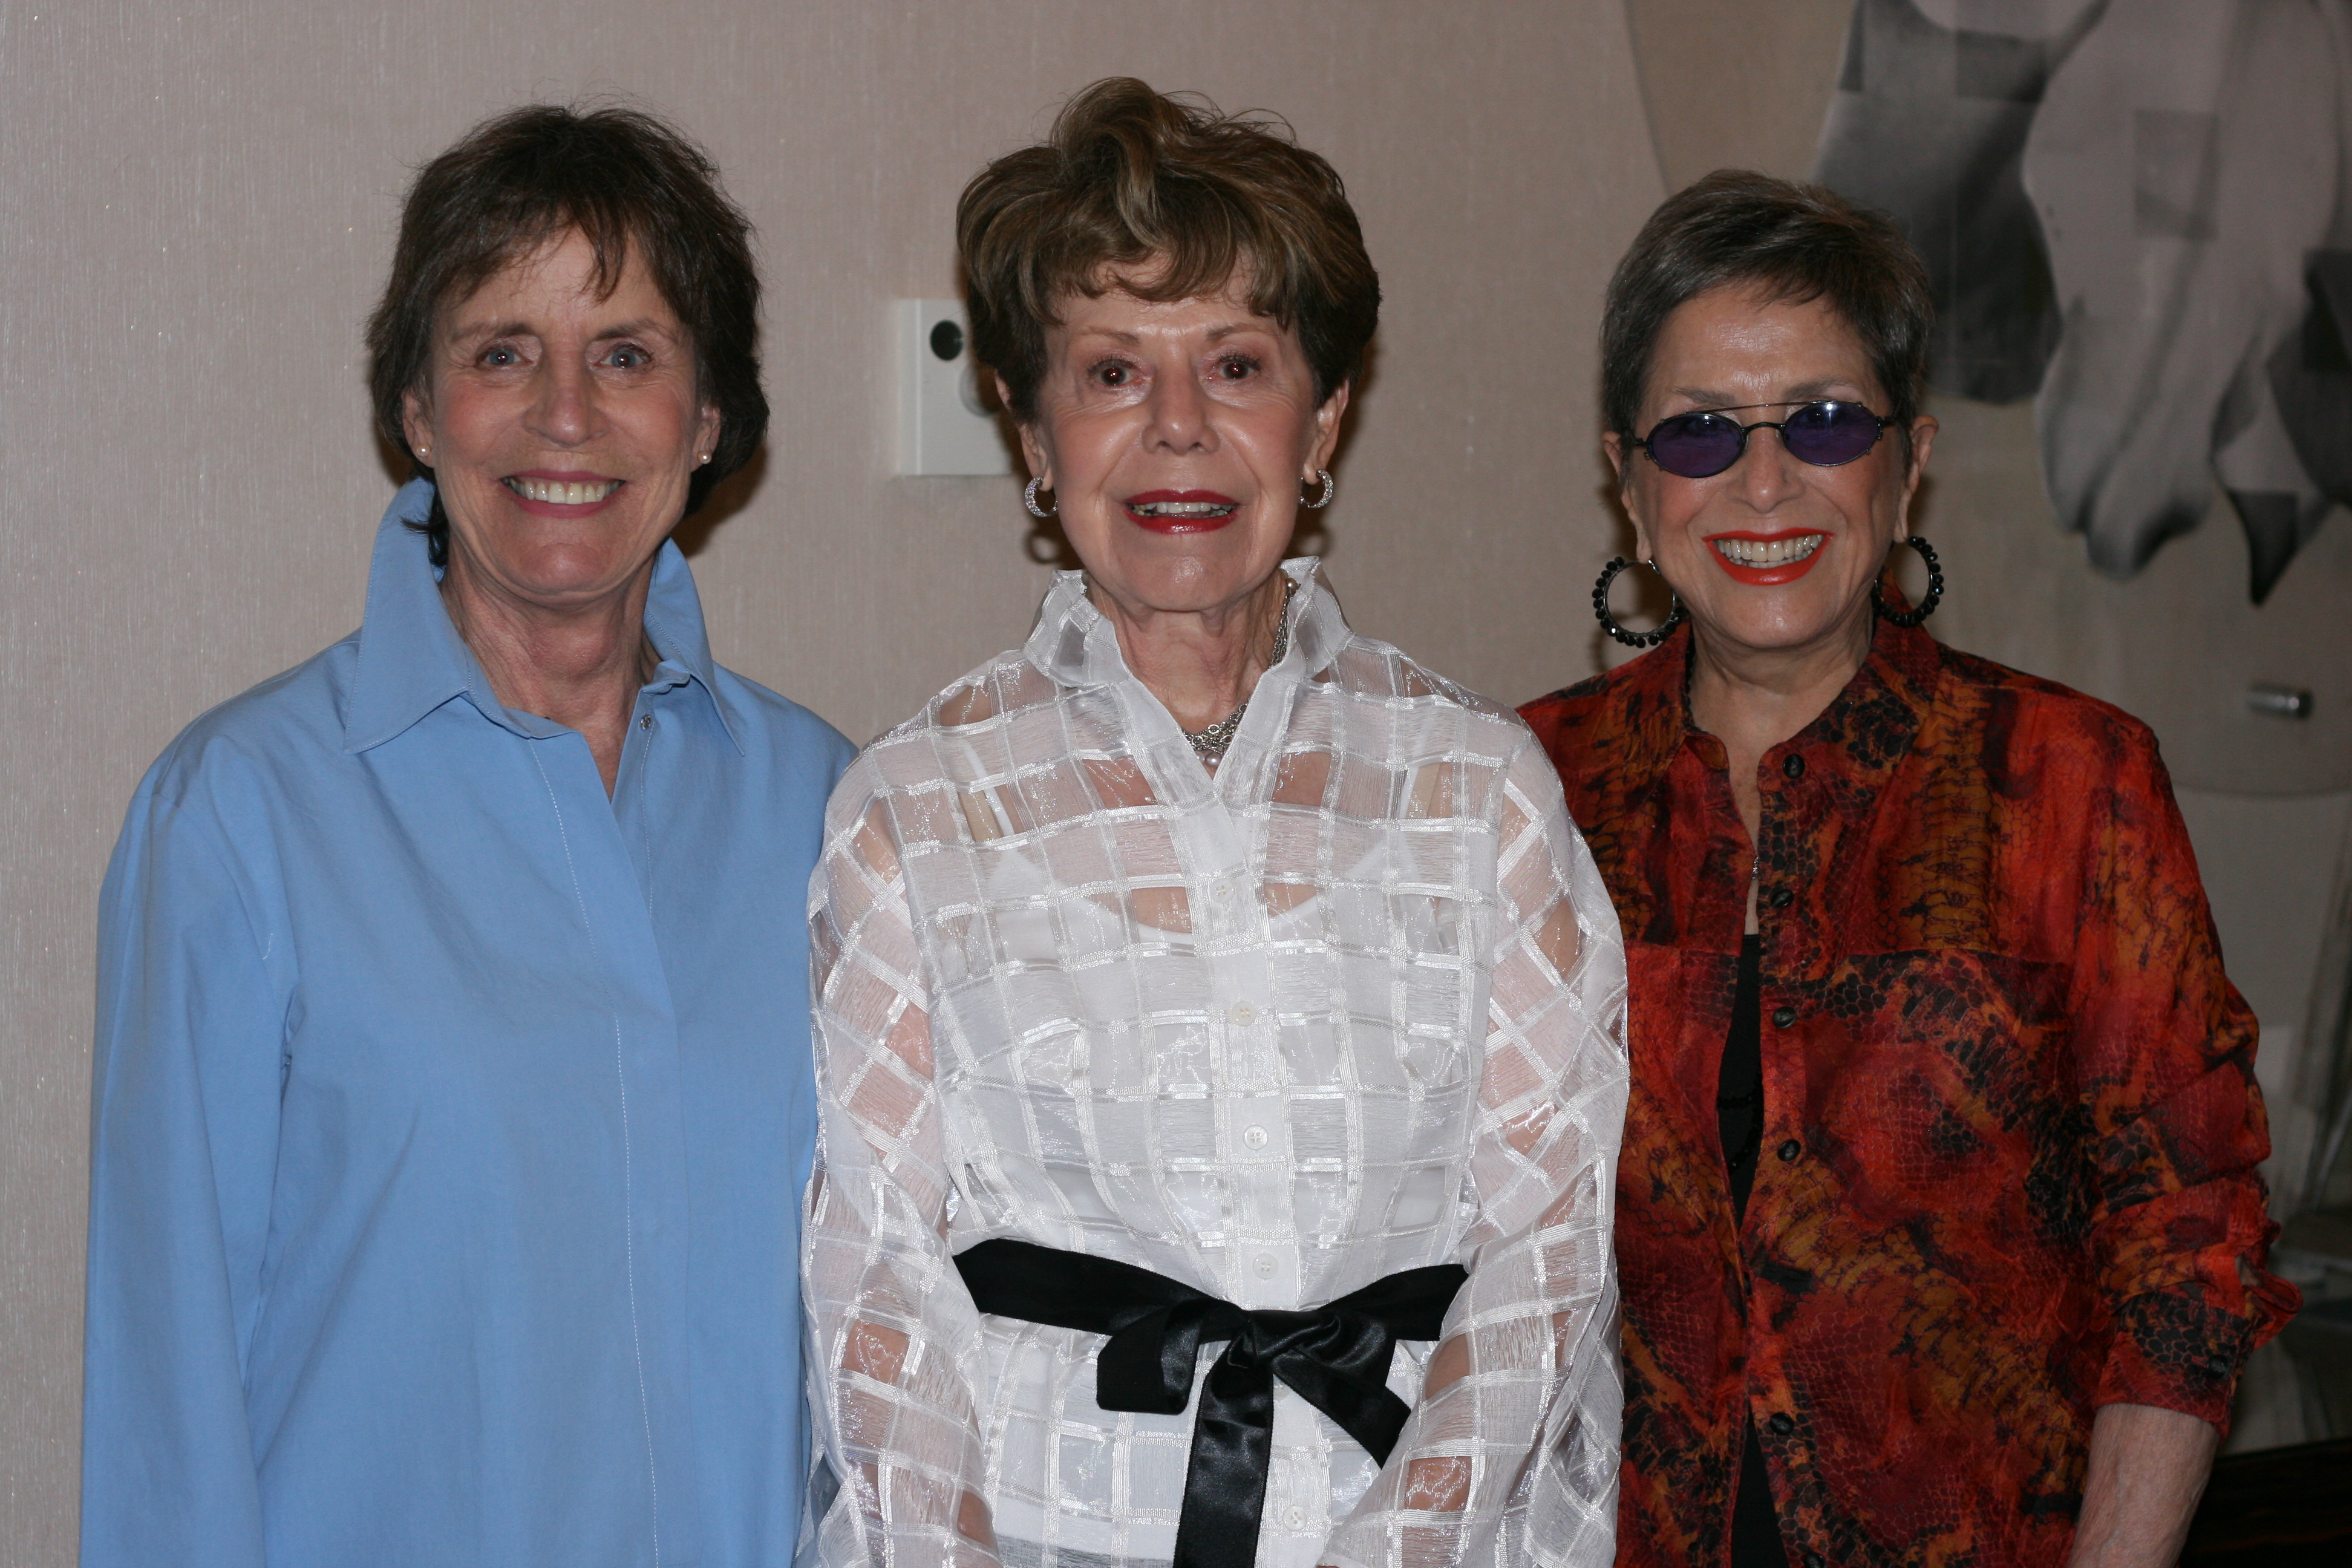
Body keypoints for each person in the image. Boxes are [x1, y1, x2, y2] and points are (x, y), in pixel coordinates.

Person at [801, 79, 1628, 1568]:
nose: (1178, 427)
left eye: (1238, 366)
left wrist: (1398, 1550)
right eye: (1113, 372)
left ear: (1325, 421)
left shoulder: (1477, 789)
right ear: (1032, 431)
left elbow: (1552, 1243)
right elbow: (878, 1288)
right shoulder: (917, 807)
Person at [81, 104, 853, 1567]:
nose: (566, 413)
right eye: (502, 352)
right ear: (419, 414)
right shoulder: (240, 815)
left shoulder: (832, 810)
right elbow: (164, 1396)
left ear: (707, 420)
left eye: (626, 355)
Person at [1519, 171, 2301, 1568]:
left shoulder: (2072, 780)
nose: (1765, 481)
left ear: (1907, 463)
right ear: (1630, 486)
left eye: (1824, 421)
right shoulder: (1525, 794)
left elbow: (2190, 1245)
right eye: (1700, 432)